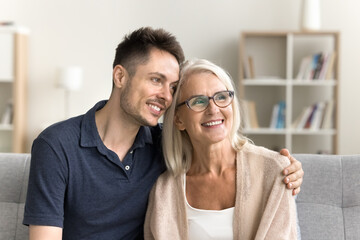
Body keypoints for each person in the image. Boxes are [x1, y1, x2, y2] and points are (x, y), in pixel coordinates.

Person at [23, 27, 303, 240]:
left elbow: (220, 144)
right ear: (120, 77)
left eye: (171, 87)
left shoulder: (164, 145)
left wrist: (287, 169)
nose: (165, 97)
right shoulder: (56, 145)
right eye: (156, 80)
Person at [144, 59, 298, 239]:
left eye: (222, 97)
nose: (213, 109)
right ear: (178, 120)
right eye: (198, 101)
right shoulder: (165, 190)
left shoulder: (275, 170)